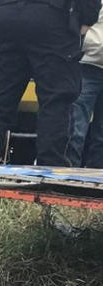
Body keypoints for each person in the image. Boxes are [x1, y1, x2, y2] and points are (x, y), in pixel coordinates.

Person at [0, 0, 100, 166]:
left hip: (6, 16)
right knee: (55, 100)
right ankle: (50, 172)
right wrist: (85, 21)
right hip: (53, 19)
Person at [68, 7, 103, 167]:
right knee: (75, 130)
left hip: (87, 59)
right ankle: (66, 179)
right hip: (86, 63)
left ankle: (97, 186)